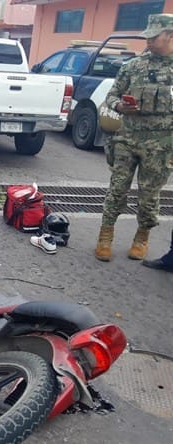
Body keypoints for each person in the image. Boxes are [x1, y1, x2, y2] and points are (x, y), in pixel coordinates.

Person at [95, 14, 173, 262]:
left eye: (154, 37)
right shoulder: (133, 66)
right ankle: (105, 237)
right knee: (117, 189)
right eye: (147, 37)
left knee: (150, 194)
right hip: (127, 140)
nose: (148, 41)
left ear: (170, 36)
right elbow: (111, 96)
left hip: (161, 145)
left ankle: (142, 237)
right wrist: (120, 106)